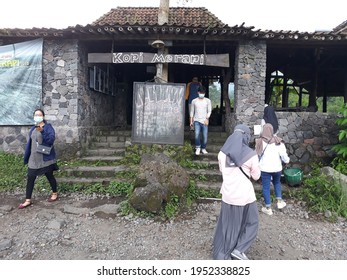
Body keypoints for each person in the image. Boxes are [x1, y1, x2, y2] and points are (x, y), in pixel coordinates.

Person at [213, 124, 261, 260]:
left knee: (228, 225)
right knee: (252, 222)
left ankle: (222, 252)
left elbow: (223, 171)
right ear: (246, 136)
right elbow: (256, 176)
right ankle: (238, 249)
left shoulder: (221, 153)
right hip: (246, 196)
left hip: (228, 195)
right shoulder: (251, 155)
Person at [18, 109, 59, 209]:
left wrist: (43, 131)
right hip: (34, 158)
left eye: (39, 115)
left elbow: (50, 140)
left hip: (45, 158)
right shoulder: (33, 128)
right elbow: (31, 143)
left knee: (49, 175)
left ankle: (55, 193)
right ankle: (28, 200)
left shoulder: (48, 127)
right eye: (36, 115)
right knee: (30, 177)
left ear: (43, 117)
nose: (37, 116)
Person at [255, 123, 290, 216]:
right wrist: (287, 161)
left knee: (266, 187)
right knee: (277, 183)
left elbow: (256, 155)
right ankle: (279, 202)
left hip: (264, 169)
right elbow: (284, 156)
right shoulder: (278, 141)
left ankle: (268, 208)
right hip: (277, 168)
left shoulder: (259, 142)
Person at [189, 86, 212, 155]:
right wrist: (191, 121)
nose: (202, 94)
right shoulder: (194, 101)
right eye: (201, 92)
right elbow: (192, 112)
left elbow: (209, 111)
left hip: (204, 121)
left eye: (203, 93)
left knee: (205, 136)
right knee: (197, 135)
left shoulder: (208, 101)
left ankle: (203, 148)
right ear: (198, 92)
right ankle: (198, 147)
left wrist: (207, 118)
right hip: (196, 120)